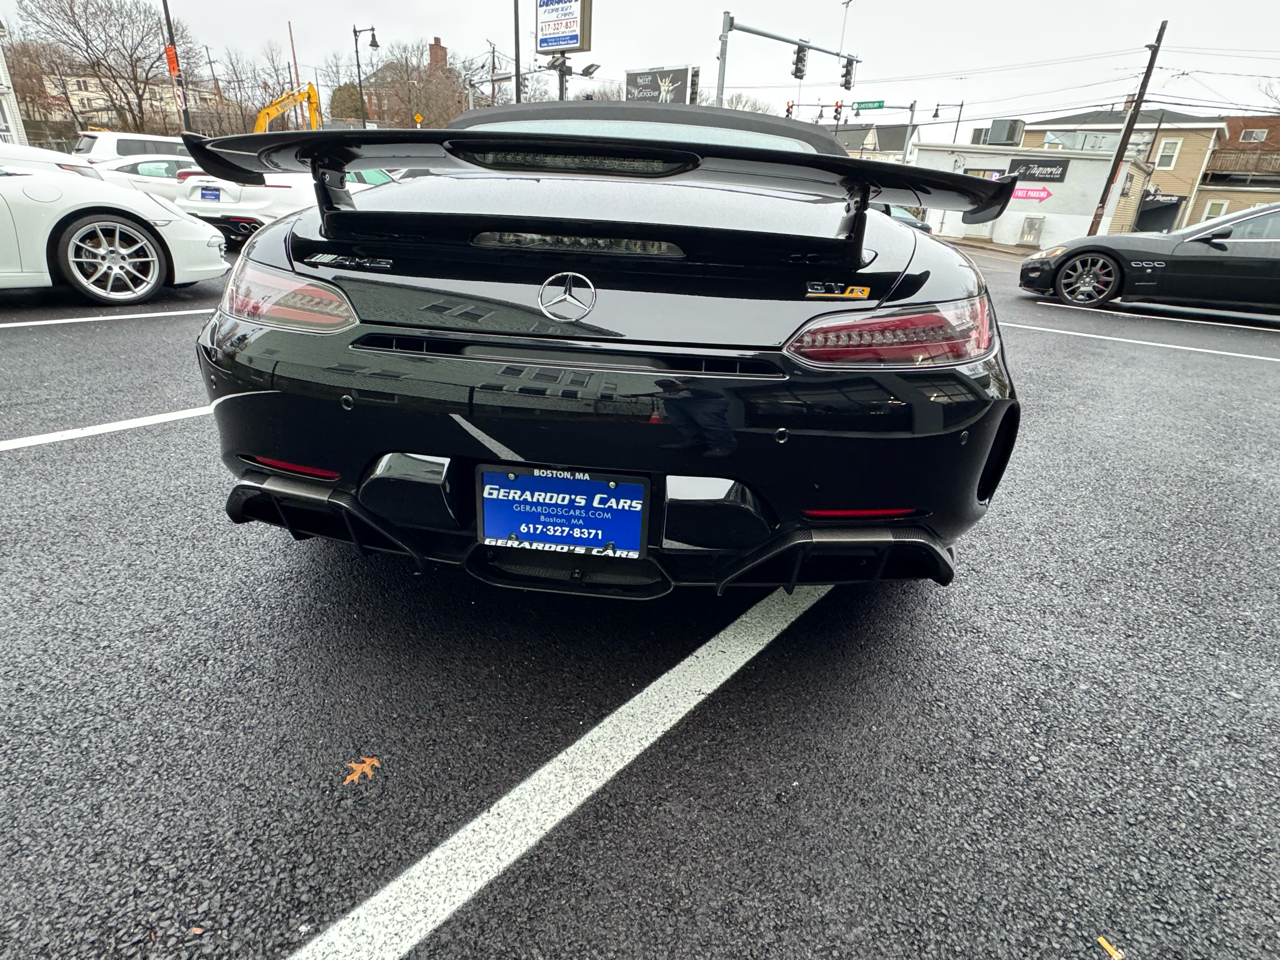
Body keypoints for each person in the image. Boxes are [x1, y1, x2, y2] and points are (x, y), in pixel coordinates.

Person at [654, 379, 737, 459]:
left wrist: (682, 386)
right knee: (681, 421)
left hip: (707, 396)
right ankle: (695, 440)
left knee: (710, 422)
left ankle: (723, 446)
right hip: (677, 396)